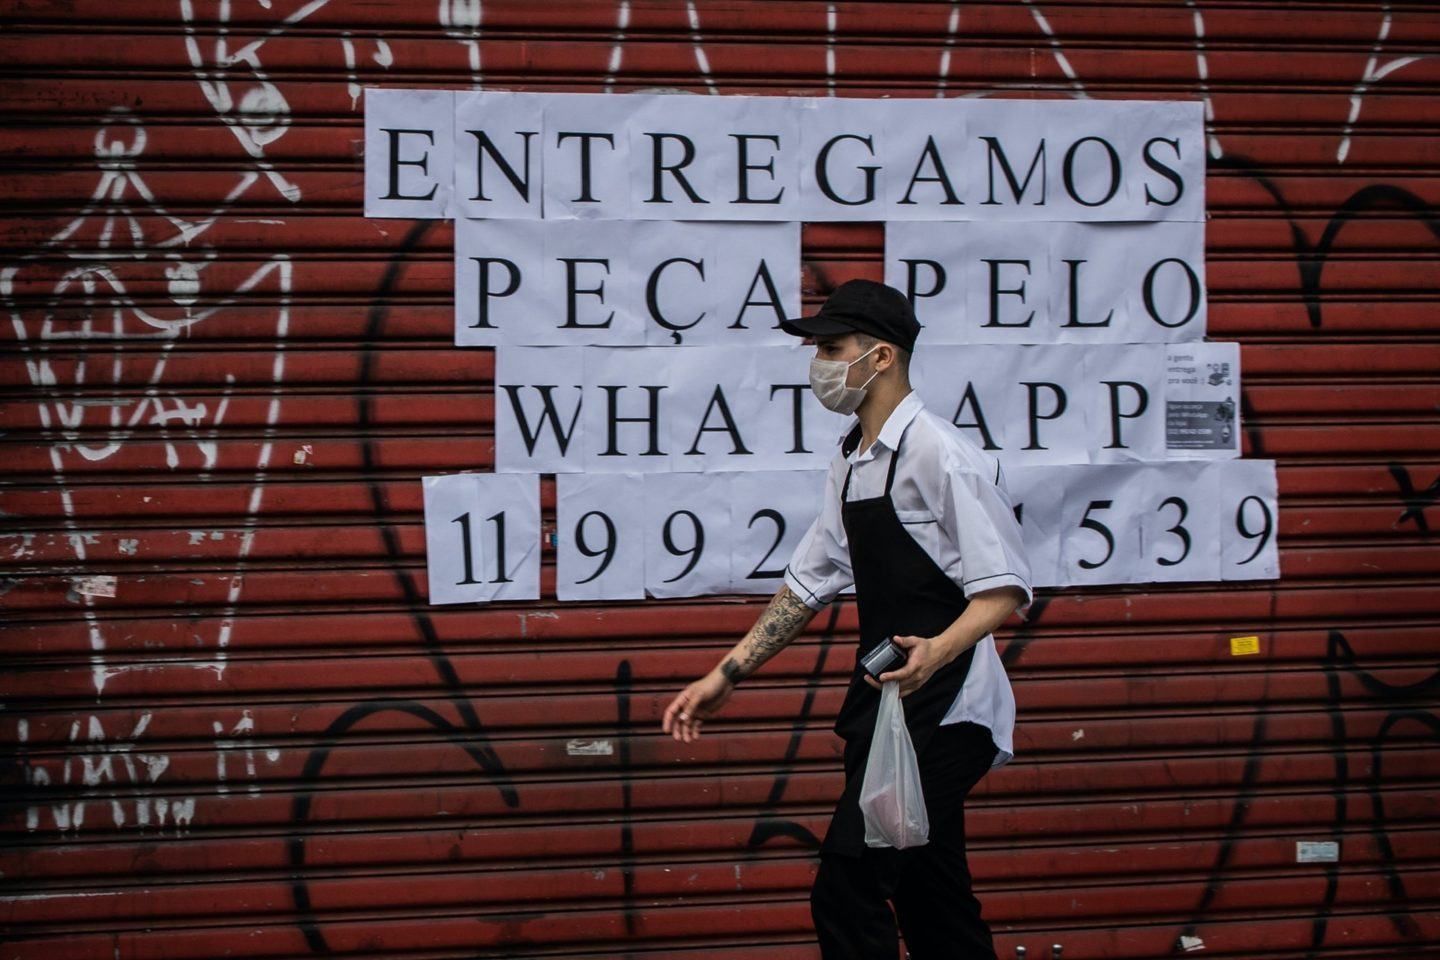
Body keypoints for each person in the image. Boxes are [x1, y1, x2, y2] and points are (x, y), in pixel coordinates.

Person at [662, 278, 1033, 960]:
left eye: (832, 349)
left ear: (882, 357)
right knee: (932, 897)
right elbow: (807, 585)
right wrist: (727, 674)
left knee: (849, 886)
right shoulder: (852, 460)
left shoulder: (938, 453)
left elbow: (1004, 588)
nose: (820, 366)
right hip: (892, 707)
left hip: (947, 711)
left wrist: (937, 651)